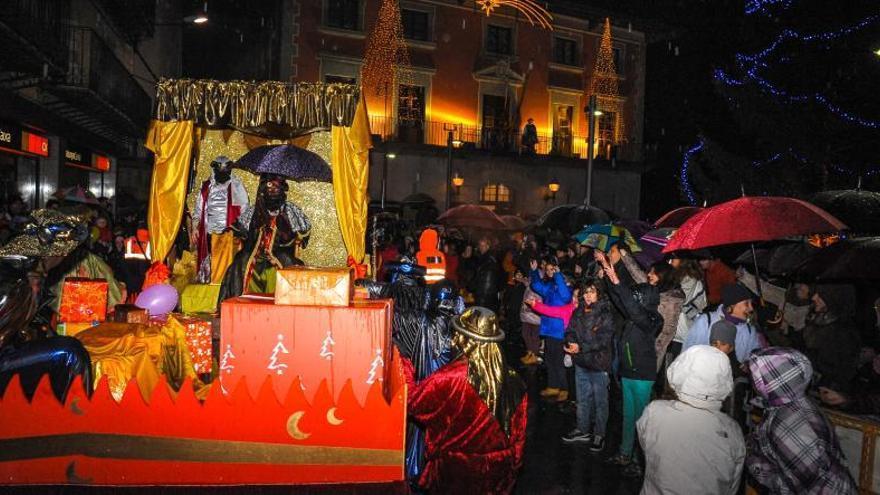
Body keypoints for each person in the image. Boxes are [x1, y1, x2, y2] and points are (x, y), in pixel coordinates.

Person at [403, 307, 528, 494]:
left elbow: (414, 403)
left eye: (458, 335)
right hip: (499, 470)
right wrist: (514, 464)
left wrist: (406, 369)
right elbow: (519, 433)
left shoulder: (448, 378)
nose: (453, 340)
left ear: (467, 340)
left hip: (457, 471)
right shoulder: (515, 380)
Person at [747, 347, 857, 494]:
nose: (752, 381)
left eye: (755, 377)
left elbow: (796, 487)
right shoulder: (794, 402)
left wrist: (753, 460)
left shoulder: (788, 424)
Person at [638, 345, 745, 495]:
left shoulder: (655, 412)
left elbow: (646, 448)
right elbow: (732, 486)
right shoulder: (732, 431)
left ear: (681, 371)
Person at [597, 250, 663, 477]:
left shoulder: (654, 319)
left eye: (637, 297)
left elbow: (633, 309)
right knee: (628, 415)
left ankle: (640, 460)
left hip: (643, 375)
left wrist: (616, 279)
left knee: (642, 420)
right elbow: (620, 299)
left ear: (645, 300)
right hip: (628, 371)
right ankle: (625, 453)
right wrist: (608, 273)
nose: (632, 299)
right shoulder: (634, 312)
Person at [219, 174, 310, 299]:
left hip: (280, 253)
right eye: (269, 187)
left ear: (282, 189)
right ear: (263, 189)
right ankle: (239, 300)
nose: (272, 190)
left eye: (276, 187)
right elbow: (239, 227)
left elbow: (304, 230)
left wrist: (291, 230)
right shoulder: (255, 210)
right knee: (240, 262)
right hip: (255, 253)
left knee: (289, 264)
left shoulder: (290, 210)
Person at [562, 279, 614, 452]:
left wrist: (581, 347)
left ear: (598, 292)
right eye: (586, 291)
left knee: (600, 401)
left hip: (599, 363)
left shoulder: (605, 313)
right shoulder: (579, 311)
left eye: (592, 291)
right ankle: (583, 429)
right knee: (582, 399)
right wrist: (570, 341)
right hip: (582, 362)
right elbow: (570, 330)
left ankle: (599, 434)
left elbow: (604, 339)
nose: (588, 295)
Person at [192, 156, 249, 284]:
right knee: (212, 266)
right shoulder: (207, 187)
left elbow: (245, 211)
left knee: (229, 265)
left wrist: (241, 230)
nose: (222, 174)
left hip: (230, 234)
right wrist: (195, 227)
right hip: (210, 233)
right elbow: (198, 210)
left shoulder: (236, 186)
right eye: (220, 171)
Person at [803, 284, 860, 395]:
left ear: (834, 300)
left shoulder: (844, 333)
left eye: (821, 296)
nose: (814, 298)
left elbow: (842, 373)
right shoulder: (818, 321)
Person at [684, 284, 763, 363]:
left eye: (751, 303)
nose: (751, 308)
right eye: (746, 303)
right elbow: (687, 355)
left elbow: (755, 359)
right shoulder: (705, 322)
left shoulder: (749, 330)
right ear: (731, 305)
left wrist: (747, 365)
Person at [530, 256, 572, 401]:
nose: (549, 272)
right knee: (550, 359)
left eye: (552, 269)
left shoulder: (564, 285)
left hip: (559, 331)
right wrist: (535, 271)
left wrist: (559, 275)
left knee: (558, 361)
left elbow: (566, 297)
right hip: (548, 329)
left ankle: (564, 388)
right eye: (547, 270)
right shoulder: (549, 287)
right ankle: (553, 386)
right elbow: (536, 286)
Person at [669, 258, 706, 361]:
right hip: (678, 331)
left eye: (674, 258)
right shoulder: (682, 278)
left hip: (683, 332)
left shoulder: (689, 279)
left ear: (683, 260)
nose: (670, 261)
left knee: (677, 366)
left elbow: (679, 299)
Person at [468, 237, 500, 311]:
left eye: (483, 245)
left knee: (482, 312)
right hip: (483, 292)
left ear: (488, 246)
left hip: (484, 293)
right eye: (480, 245)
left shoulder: (489, 259)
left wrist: (481, 294)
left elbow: (488, 278)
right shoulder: (483, 257)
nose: (481, 247)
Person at [518, 270, 543, 366]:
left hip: (535, 317)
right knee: (525, 334)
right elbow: (526, 282)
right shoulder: (530, 285)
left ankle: (534, 355)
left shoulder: (540, 288)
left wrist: (530, 307)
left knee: (534, 337)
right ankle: (529, 353)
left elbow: (539, 302)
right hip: (526, 316)